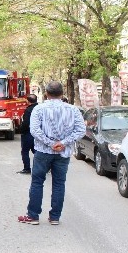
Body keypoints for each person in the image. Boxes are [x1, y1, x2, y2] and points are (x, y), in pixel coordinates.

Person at [18, 81, 85, 226]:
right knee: (59, 183)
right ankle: (55, 217)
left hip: (43, 152)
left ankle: (33, 216)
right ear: (62, 93)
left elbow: (34, 131)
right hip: (63, 153)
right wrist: (63, 143)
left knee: (37, 182)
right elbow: (80, 131)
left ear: (46, 94)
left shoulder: (39, 109)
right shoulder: (73, 110)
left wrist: (50, 143)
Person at [17, 94, 38, 174]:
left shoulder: (28, 110)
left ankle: (27, 168)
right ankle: (45, 166)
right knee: (36, 150)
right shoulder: (39, 108)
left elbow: (26, 123)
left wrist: (21, 130)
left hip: (28, 133)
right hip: (38, 133)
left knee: (25, 151)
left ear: (28, 101)